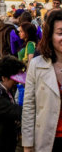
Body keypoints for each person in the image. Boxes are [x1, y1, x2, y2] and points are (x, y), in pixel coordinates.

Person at [22, 9, 62, 152]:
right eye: (60, 33)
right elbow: (29, 107)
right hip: (47, 140)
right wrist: (27, 145)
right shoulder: (36, 65)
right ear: (50, 35)